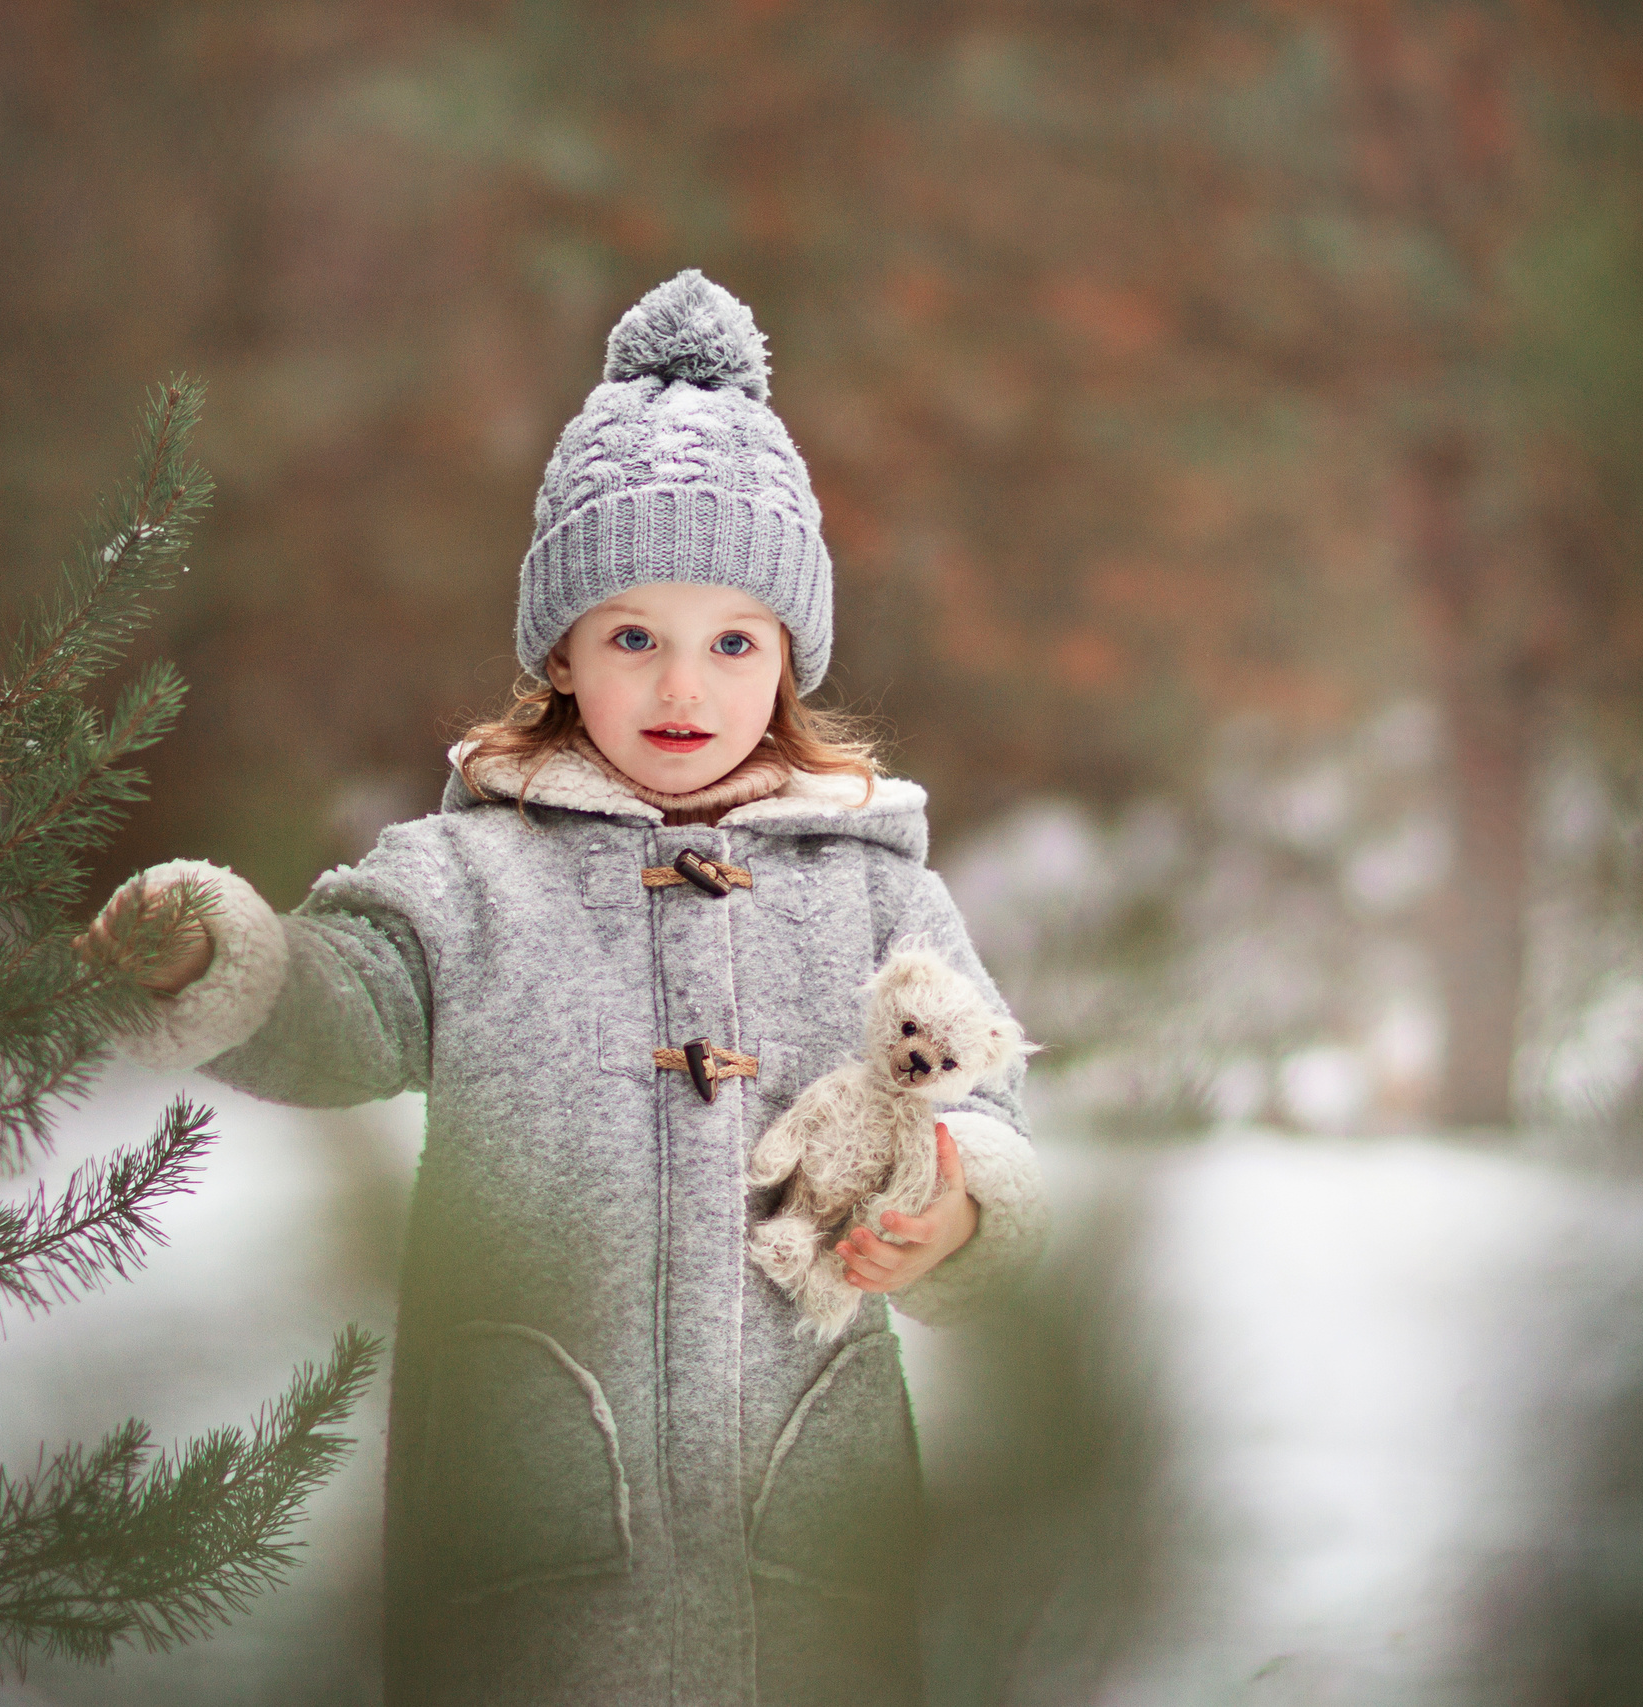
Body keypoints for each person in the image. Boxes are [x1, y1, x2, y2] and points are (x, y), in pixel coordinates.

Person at [82, 269, 1044, 1706]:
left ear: (787, 657)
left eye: (732, 640)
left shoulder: (873, 892)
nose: (683, 684)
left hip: (813, 1535)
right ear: (563, 652)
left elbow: (991, 1107)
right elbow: (343, 1001)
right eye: (632, 635)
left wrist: (956, 1209)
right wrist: (223, 956)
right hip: (530, 1536)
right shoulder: (476, 877)